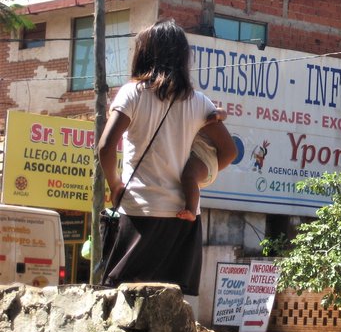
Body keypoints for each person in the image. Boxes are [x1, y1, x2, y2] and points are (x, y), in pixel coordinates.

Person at [97, 19, 237, 295]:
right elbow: (229, 151)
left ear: (144, 53)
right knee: (168, 300)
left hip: (139, 210)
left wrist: (115, 184)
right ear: (182, 57)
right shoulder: (199, 102)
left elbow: (105, 147)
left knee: (122, 298)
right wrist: (202, 175)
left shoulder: (133, 93)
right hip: (182, 217)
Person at [176, 108, 227, 222]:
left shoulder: (202, 108)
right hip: (200, 157)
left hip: (204, 157)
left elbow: (223, 112)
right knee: (189, 177)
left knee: (189, 176)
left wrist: (218, 115)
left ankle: (191, 210)